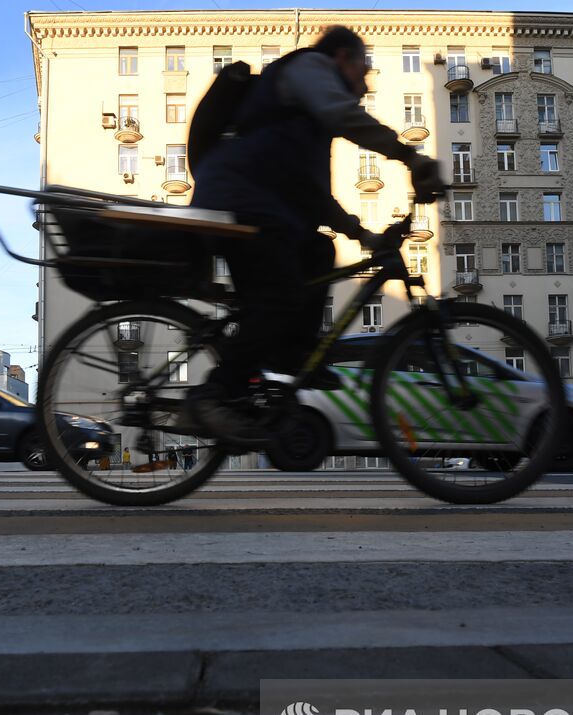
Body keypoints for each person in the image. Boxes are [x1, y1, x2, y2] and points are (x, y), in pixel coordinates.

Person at [187, 26, 444, 445]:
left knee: (318, 252)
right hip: (239, 200)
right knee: (278, 296)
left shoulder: (302, 124)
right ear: (342, 57)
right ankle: (216, 393)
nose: (363, 84)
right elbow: (343, 115)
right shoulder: (309, 68)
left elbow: (312, 196)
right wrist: (408, 156)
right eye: (363, 71)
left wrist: (363, 234)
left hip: (258, 202)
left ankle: (294, 354)